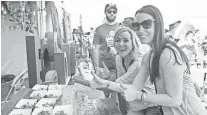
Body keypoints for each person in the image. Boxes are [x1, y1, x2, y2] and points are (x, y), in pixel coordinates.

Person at [120, 5, 207, 115]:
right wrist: (104, 83)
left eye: (146, 24)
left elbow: (174, 100)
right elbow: (135, 87)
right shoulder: (149, 56)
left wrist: (140, 96)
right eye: (136, 26)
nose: (140, 30)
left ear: (158, 25)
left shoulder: (168, 53)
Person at [91, 27, 160, 115]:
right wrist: (108, 76)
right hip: (136, 104)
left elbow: (118, 86)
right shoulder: (118, 58)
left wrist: (86, 81)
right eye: (118, 40)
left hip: (150, 105)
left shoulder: (137, 63)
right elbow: (120, 83)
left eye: (126, 40)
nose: (121, 44)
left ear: (133, 42)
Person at [93, 3, 120, 82]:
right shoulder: (99, 29)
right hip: (104, 66)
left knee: (119, 91)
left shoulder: (121, 27)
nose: (112, 13)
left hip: (119, 66)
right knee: (105, 90)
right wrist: (96, 67)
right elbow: (96, 49)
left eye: (114, 11)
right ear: (105, 12)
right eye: (109, 11)